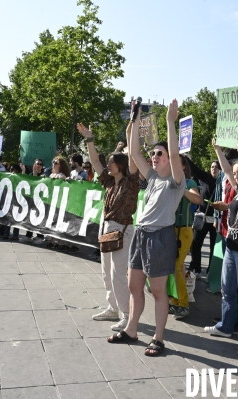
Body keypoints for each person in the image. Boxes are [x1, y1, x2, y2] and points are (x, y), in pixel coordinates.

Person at [107, 99, 185, 357]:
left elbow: (174, 155)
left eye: (159, 154)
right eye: (155, 154)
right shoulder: (151, 178)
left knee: (158, 290)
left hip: (160, 237)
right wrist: (135, 120)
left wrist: (170, 123)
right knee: (133, 285)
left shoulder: (175, 182)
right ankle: (131, 330)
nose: (155, 157)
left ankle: (159, 338)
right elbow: (134, 154)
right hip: (141, 234)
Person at [78, 121, 140, 332]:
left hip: (122, 229)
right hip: (107, 227)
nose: (109, 165)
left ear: (121, 165)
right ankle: (112, 307)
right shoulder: (108, 181)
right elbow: (95, 160)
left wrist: (130, 130)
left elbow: (133, 155)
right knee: (106, 272)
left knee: (118, 274)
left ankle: (126, 315)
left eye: (113, 162)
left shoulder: (131, 181)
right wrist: (89, 138)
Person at [204, 135, 238, 356]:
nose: (237, 176)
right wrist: (217, 149)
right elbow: (226, 170)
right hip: (231, 247)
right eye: (236, 174)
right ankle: (225, 327)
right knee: (227, 290)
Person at [168, 154, 202, 320]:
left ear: (183, 167)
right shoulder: (168, 181)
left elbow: (197, 199)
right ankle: (175, 300)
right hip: (170, 229)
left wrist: (183, 189)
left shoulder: (190, 182)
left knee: (176, 266)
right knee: (176, 267)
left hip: (184, 230)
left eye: (176, 163)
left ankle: (183, 303)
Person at [184, 158, 220, 278]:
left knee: (214, 248)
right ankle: (197, 269)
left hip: (216, 220)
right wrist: (185, 157)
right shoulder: (207, 178)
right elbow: (195, 169)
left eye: (216, 167)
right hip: (202, 218)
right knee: (195, 244)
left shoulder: (223, 182)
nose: (213, 169)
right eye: (212, 167)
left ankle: (210, 271)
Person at [2, 164, 23, 241]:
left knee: (16, 218)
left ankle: (15, 235)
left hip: (17, 200)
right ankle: (6, 234)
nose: (12, 171)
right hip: (9, 199)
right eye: (11, 169)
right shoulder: (8, 176)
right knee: (8, 217)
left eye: (13, 169)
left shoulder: (20, 177)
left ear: (17, 170)